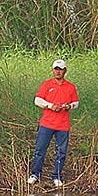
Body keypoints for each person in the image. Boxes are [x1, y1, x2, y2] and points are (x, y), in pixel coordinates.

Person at [28, 58, 79, 188]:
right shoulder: (46, 85)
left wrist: (69, 106)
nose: (58, 72)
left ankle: (57, 176)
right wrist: (51, 106)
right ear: (53, 70)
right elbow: (37, 100)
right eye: (56, 69)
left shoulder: (71, 87)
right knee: (40, 150)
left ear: (65, 71)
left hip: (63, 125)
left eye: (60, 69)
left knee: (61, 152)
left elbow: (76, 103)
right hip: (46, 124)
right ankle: (35, 174)